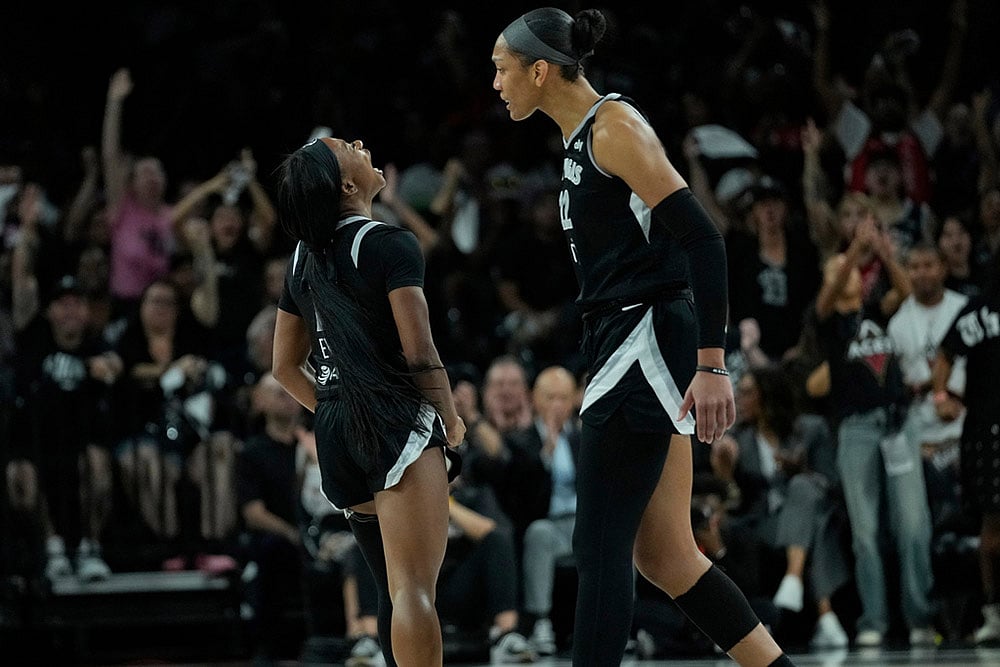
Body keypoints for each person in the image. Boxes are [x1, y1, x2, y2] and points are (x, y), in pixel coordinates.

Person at [491, 8, 792, 666]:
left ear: (540, 71)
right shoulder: (576, 141)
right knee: (667, 555)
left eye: (502, 69)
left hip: (643, 337)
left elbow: (704, 239)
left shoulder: (616, 127)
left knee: (598, 547)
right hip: (619, 334)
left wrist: (712, 364)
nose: (496, 82)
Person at [271, 135, 465, 667]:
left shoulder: (300, 258)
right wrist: (450, 421)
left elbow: (284, 368)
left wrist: (338, 406)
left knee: (392, 591)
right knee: (414, 592)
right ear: (348, 185)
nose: (359, 143)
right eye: (344, 147)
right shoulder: (389, 243)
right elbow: (421, 355)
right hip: (395, 424)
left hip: (335, 430)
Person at [931, 252, 1000, 644]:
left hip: (981, 426)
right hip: (986, 427)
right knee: (992, 524)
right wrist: (941, 397)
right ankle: (993, 611)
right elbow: (945, 353)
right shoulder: (981, 309)